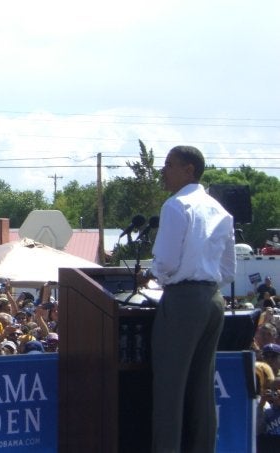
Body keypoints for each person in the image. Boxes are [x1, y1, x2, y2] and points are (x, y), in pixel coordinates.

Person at [143, 146, 236, 452]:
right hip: (212, 299)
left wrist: (157, 274)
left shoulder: (176, 205)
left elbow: (167, 263)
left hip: (183, 300)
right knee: (202, 390)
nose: (163, 170)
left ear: (189, 170)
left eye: (169, 165)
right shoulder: (220, 211)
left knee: (170, 390)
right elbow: (228, 269)